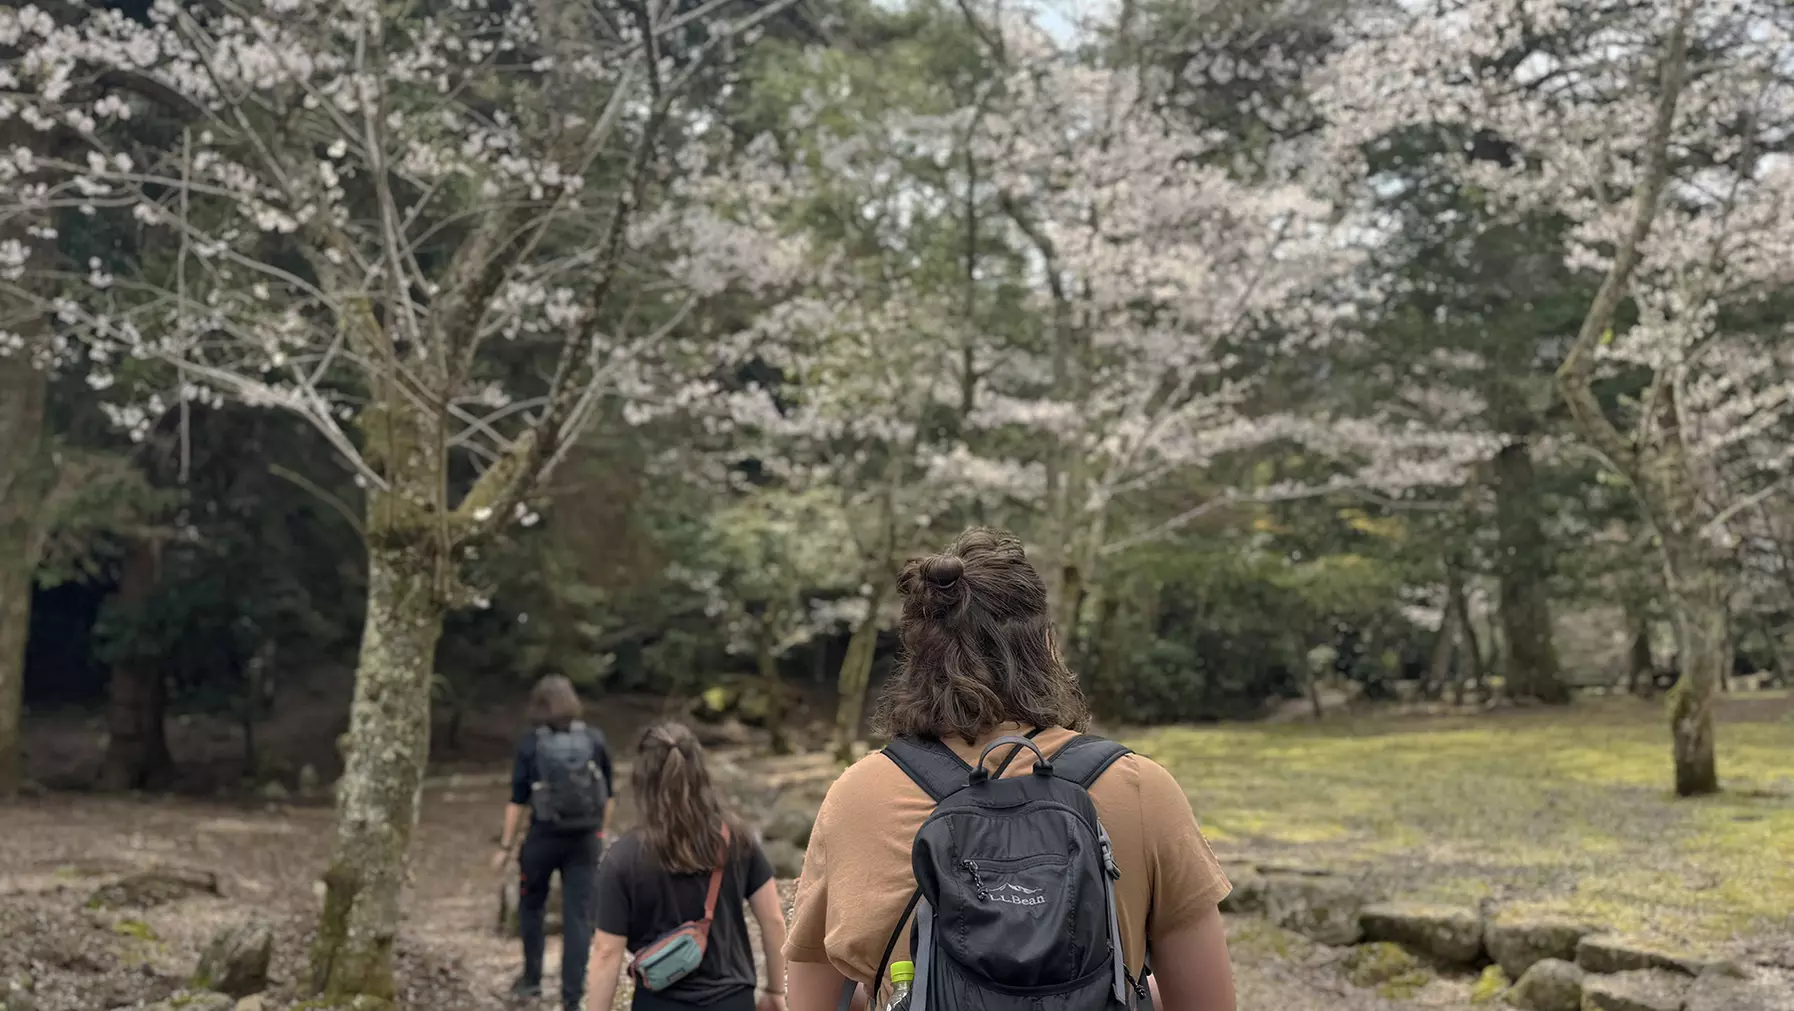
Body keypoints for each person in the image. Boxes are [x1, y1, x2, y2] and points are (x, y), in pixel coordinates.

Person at [783, 528, 1237, 1011]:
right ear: (1046, 646)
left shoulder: (858, 797)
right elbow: (1208, 1001)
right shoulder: (1141, 788)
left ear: (916, 656)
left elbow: (811, 1000)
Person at [584, 722, 789, 1011]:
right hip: (733, 1000)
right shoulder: (737, 839)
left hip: (659, 1003)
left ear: (641, 778)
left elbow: (607, 952)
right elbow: (773, 919)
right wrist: (775, 990)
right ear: (701, 774)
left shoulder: (622, 859)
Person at [492, 674, 616, 1010]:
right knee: (578, 917)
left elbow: (518, 799)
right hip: (585, 839)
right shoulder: (594, 739)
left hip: (542, 839)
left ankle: (532, 981)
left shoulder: (531, 743)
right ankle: (572, 998)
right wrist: (600, 833)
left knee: (532, 906)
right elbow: (608, 794)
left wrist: (505, 847)